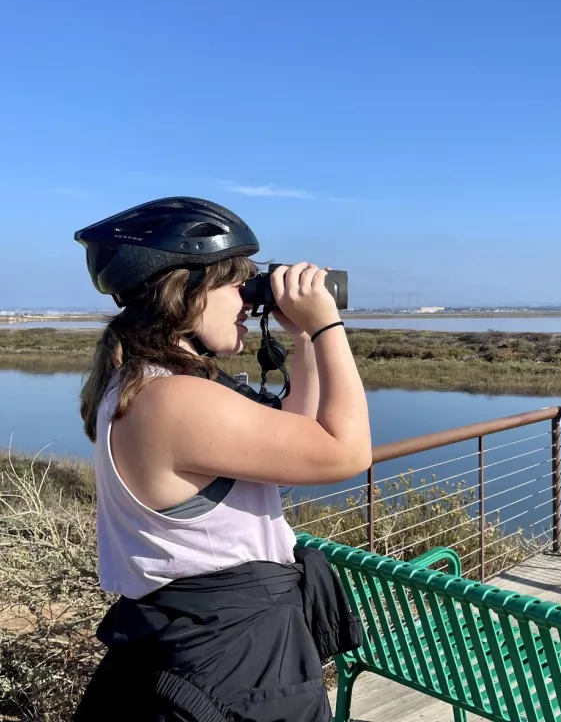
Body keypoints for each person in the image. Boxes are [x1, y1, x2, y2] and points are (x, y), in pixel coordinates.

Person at [71, 196, 371, 722]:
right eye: (237, 283)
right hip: (229, 666)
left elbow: (298, 435)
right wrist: (328, 327)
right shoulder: (175, 401)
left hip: (209, 648)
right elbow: (347, 452)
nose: (248, 300)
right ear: (182, 292)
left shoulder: (146, 385)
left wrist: (300, 338)